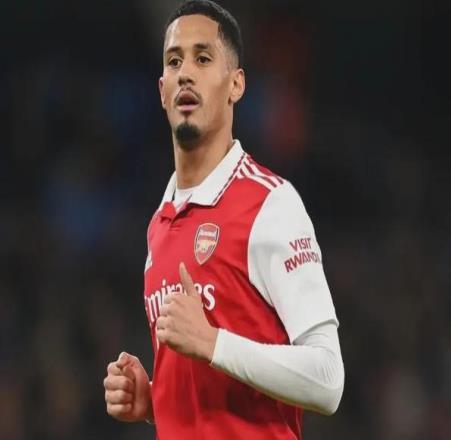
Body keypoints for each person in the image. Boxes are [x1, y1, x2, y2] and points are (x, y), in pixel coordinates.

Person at [103, 1, 344, 438]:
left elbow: (328, 380)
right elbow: (213, 399)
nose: (186, 73)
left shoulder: (271, 204)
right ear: (162, 90)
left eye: (203, 58)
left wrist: (213, 342)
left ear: (236, 84)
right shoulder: (160, 223)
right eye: (174, 61)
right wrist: (156, 401)